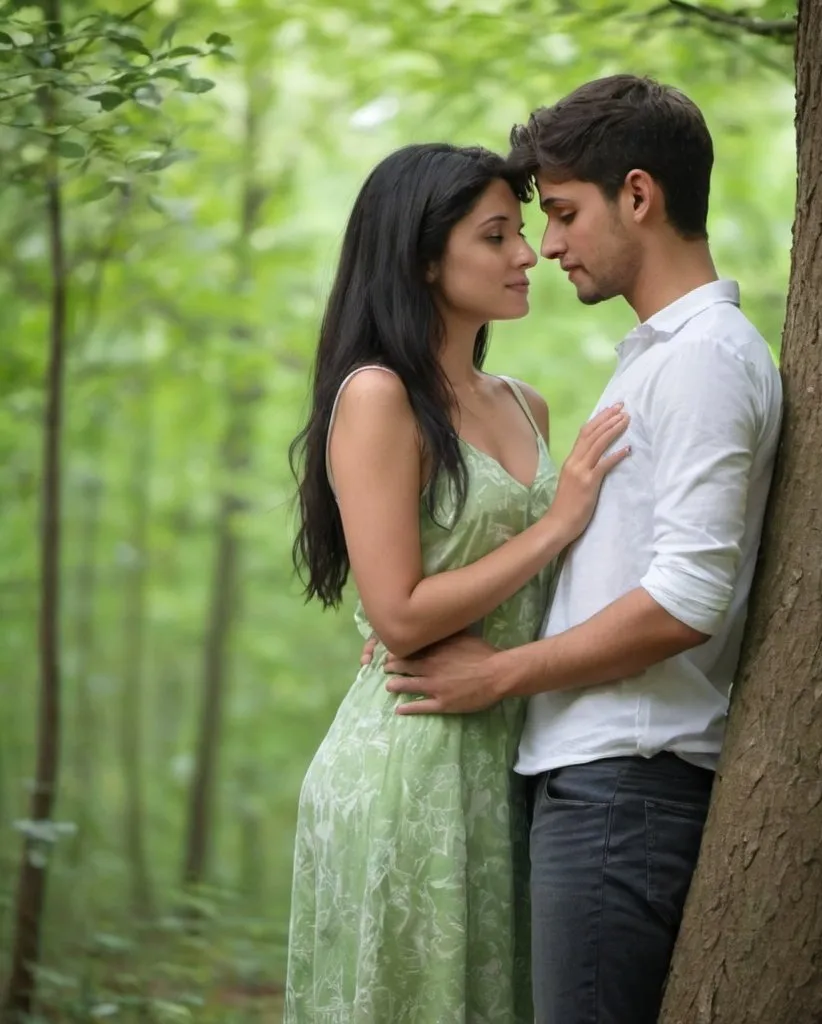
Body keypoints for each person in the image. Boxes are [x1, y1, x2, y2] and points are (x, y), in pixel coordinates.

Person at [381, 76, 784, 1024]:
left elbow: (686, 598)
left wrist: (500, 674)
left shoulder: (704, 362)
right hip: (598, 785)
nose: (545, 243)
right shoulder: (659, 361)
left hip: (626, 792)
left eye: (562, 213)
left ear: (638, 196)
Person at [283, 141, 630, 1024]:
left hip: (519, 748)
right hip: (414, 761)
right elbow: (399, 613)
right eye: (497, 235)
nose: (528, 255)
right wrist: (557, 523)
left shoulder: (524, 403)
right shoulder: (378, 396)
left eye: (523, 232)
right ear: (424, 258)